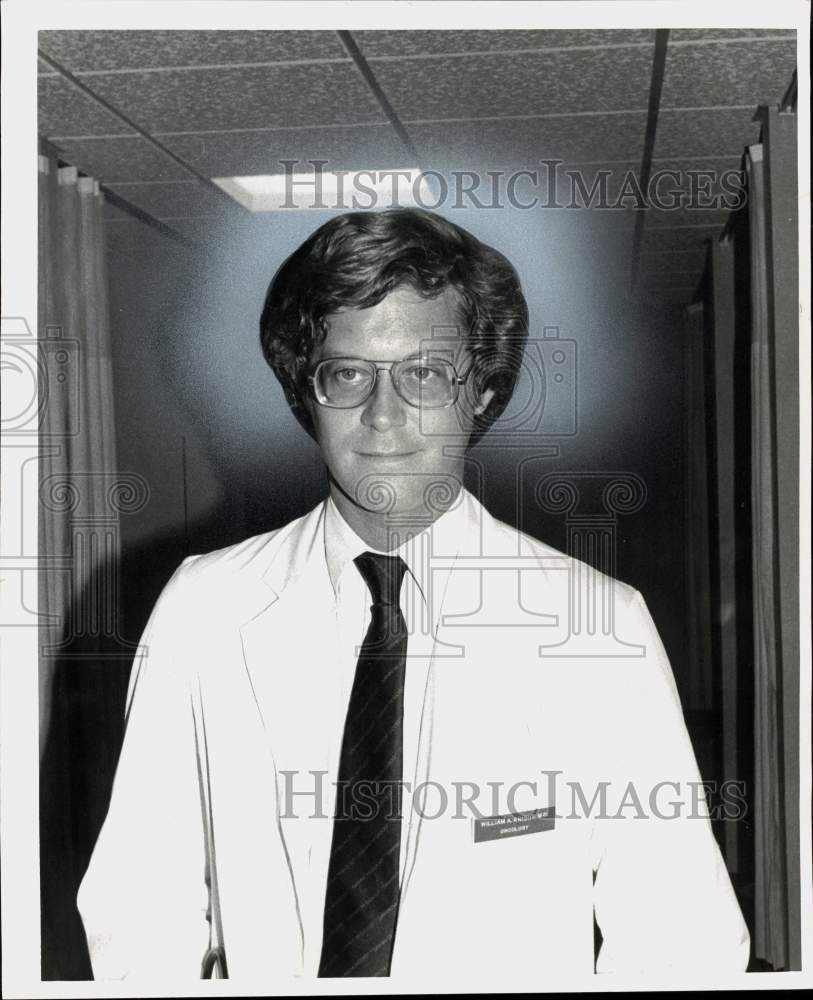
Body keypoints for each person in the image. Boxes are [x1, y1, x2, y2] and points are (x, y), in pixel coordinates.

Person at [77, 208, 750, 982]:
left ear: (485, 395)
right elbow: (140, 903)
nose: (383, 415)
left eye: (425, 374)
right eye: (347, 372)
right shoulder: (203, 607)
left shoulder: (597, 624)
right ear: (307, 393)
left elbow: (680, 933)